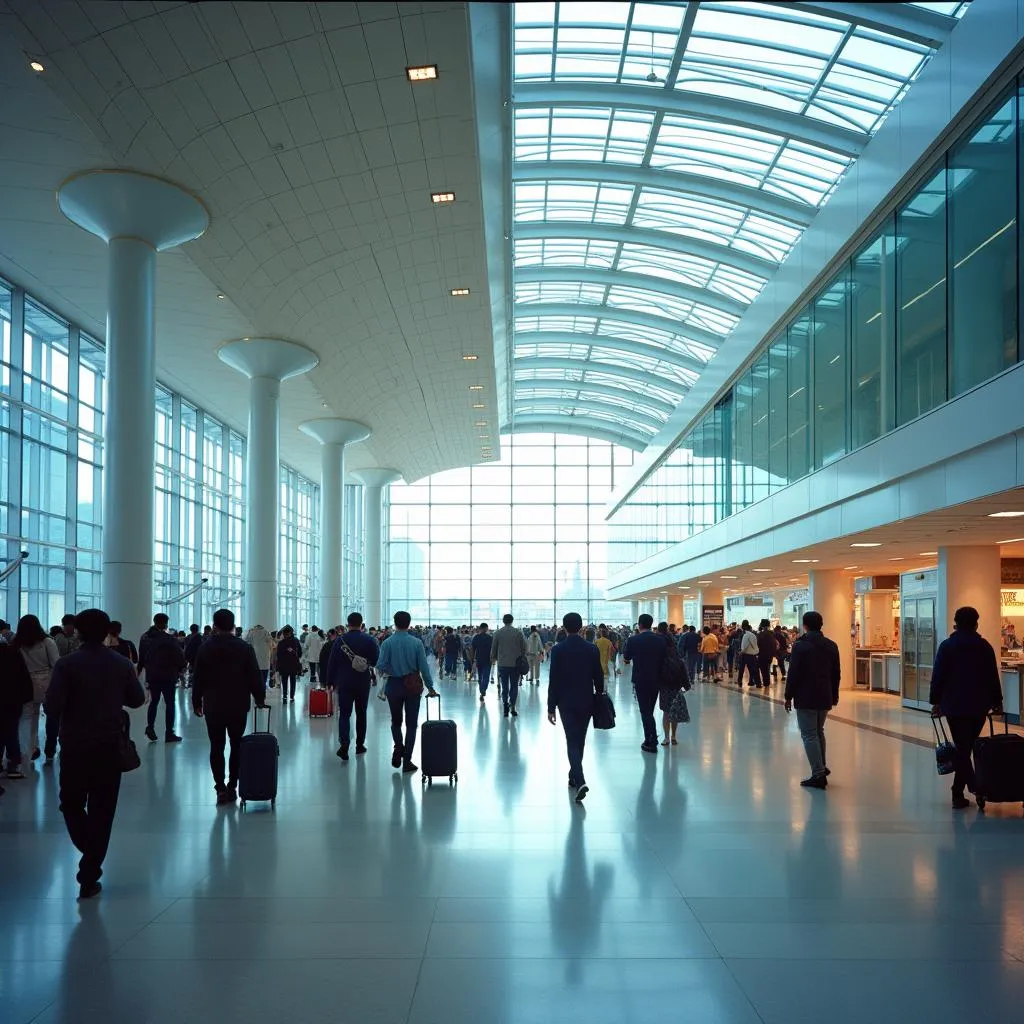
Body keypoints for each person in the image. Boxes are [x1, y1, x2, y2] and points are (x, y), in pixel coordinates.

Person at [44, 608, 146, 898]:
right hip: (109, 746)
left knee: (71, 803)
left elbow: (52, 707)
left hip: (75, 745)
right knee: (103, 809)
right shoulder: (120, 663)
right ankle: (90, 869)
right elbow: (137, 700)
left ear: (76, 631)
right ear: (107, 632)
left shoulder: (67, 665)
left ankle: (89, 851)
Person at [929, 605, 1004, 810]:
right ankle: (963, 791)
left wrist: (935, 701)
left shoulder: (947, 646)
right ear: (976, 623)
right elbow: (992, 676)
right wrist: (998, 701)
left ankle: (968, 790)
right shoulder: (984, 646)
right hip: (979, 705)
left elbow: (938, 677)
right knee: (966, 747)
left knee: (963, 748)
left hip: (953, 705)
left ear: (956, 622)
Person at [192, 608, 267, 805]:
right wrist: (259, 698)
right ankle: (233, 784)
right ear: (233, 625)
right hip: (238, 705)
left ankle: (219, 788)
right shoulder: (243, 648)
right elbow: (254, 676)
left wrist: (196, 701)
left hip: (213, 705)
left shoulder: (205, 648)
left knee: (216, 746)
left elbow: (198, 677)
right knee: (236, 744)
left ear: (214, 626)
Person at [547, 611, 605, 804]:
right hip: (586, 700)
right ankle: (574, 776)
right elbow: (598, 675)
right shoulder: (591, 649)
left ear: (564, 627)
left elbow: (553, 679)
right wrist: (599, 694)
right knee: (579, 739)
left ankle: (579, 779)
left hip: (566, 702)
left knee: (572, 739)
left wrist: (551, 706)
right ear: (581, 627)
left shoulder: (558, 650)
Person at [784, 610, 841, 790]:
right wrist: (834, 694)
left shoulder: (800, 646)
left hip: (806, 696)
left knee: (809, 734)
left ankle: (818, 774)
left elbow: (793, 673)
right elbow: (836, 673)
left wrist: (788, 696)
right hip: (824, 695)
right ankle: (821, 767)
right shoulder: (831, 645)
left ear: (805, 625)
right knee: (818, 731)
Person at [376, 610, 437, 774]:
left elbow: (380, 667)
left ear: (395, 623)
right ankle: (407, 759)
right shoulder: (416, 643)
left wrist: (391, 667)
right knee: (411, 724)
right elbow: (424, 667)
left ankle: (398, 747)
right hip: (412, 686)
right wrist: (430, 687)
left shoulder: (387, 643)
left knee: (396, 722)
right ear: (409, 624)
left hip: (393, 686)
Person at [327, 612, 380, 760]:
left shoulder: (340, 640)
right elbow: (376, 661)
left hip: (344, 682)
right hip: (363, 682)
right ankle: (360, 745)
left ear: (347, 623)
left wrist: (330, 681)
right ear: (361, 623)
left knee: (344, 714)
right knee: (361, 713)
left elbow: (332, 662)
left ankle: (344, 744)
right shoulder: (369, 640)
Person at [12, 613, 60, 764]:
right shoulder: (47, 642)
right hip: (46, 683)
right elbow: (56, 664)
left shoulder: (16, 643)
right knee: (51, 716)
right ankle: (49, 750)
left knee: (27, 718)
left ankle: (28, 750)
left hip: (24, 684)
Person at [138, 612, 186, 743]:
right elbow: (179, 657)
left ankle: (150, 727)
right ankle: (169, 733)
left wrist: (140, 670)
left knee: (154, 702)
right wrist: (181, 667)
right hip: (168, 675)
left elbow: (141, 657)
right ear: (165, 624)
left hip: (152, 675)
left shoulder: (145, 638)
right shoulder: (169, 639)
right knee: (170, 703)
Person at [623, 613, 666, 754]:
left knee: (645, 711)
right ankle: (650, 737)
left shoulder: (633, 640)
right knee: (650, 709)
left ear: (639, 624)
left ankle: (651, 739)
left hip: (640, 679)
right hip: (657, 679)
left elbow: (627, 657)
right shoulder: (660, 640)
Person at [0, 635, 32, 782]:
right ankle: (13, 764)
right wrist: (26, 697)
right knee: (11, 731)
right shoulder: (12, 652)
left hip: (10, 699)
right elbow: (24, 677)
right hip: (12, 699)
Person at [657, 621, 689, 746]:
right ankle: (674, 736)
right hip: (676, 688)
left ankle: (666, 738)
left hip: (665, 688)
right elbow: (684, 674)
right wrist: (686, 686)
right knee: (674, 712)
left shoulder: (662, 660)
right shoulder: (679, 660)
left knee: (666, 712)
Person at [493, 613, 528, 718]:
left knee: (504, 686)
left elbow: (494, 648)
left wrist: (493, 658)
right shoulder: (518, 632)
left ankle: (505, 707)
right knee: (514, 686)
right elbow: (524, 647)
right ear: (512, 621)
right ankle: (512, 707)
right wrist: (522, 655)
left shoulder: (498, 633)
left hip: (502, 664)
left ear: (503, 621)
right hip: (515, 664)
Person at [275, 625, 304, 703]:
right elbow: (300, 653)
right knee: (293, 680)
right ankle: (292, 696)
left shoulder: (281, 643)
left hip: (284, 665)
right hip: (293, 664)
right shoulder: (296, 641)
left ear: (284, 634)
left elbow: (278, 655)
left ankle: (285, 695)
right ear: (291, 633)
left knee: (284, 681)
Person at [244, 623, 272, 688]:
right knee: (264, 674)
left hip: (255, 655)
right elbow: (270, 641)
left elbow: (246, 640)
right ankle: (263, 686)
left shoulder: (252, 632)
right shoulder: (265, 632)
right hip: (265, 656)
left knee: (256, 675)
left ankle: (257, 687)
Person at [472, 623, 494, 702]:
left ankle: (482, 689)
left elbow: (473, 649)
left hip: (479, 659)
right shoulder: (490, 638)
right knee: (486, 676)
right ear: (486, 629)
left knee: (480, 675)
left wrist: (472, 659)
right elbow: (493, 649)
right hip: (488, 660)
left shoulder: (476, 637)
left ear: (480, 628)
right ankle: (483, 689)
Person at [737, 620, 760, 687]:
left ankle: (740, 682)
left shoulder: (745, 635)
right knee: (754, 669)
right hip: (753, 655)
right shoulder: (753, 635)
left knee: (741, 669)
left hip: (745, 655)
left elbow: (744, 647)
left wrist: (740, 652)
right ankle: (756, 683)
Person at [756, 619, 778, 689]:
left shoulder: (760, 634)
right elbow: (774, 644)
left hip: (761, 654)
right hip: (770, 655)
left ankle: (766, 683)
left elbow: (757, 644)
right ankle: (767, 683)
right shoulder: (772, 634)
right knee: (767, 668)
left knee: (763, 669)